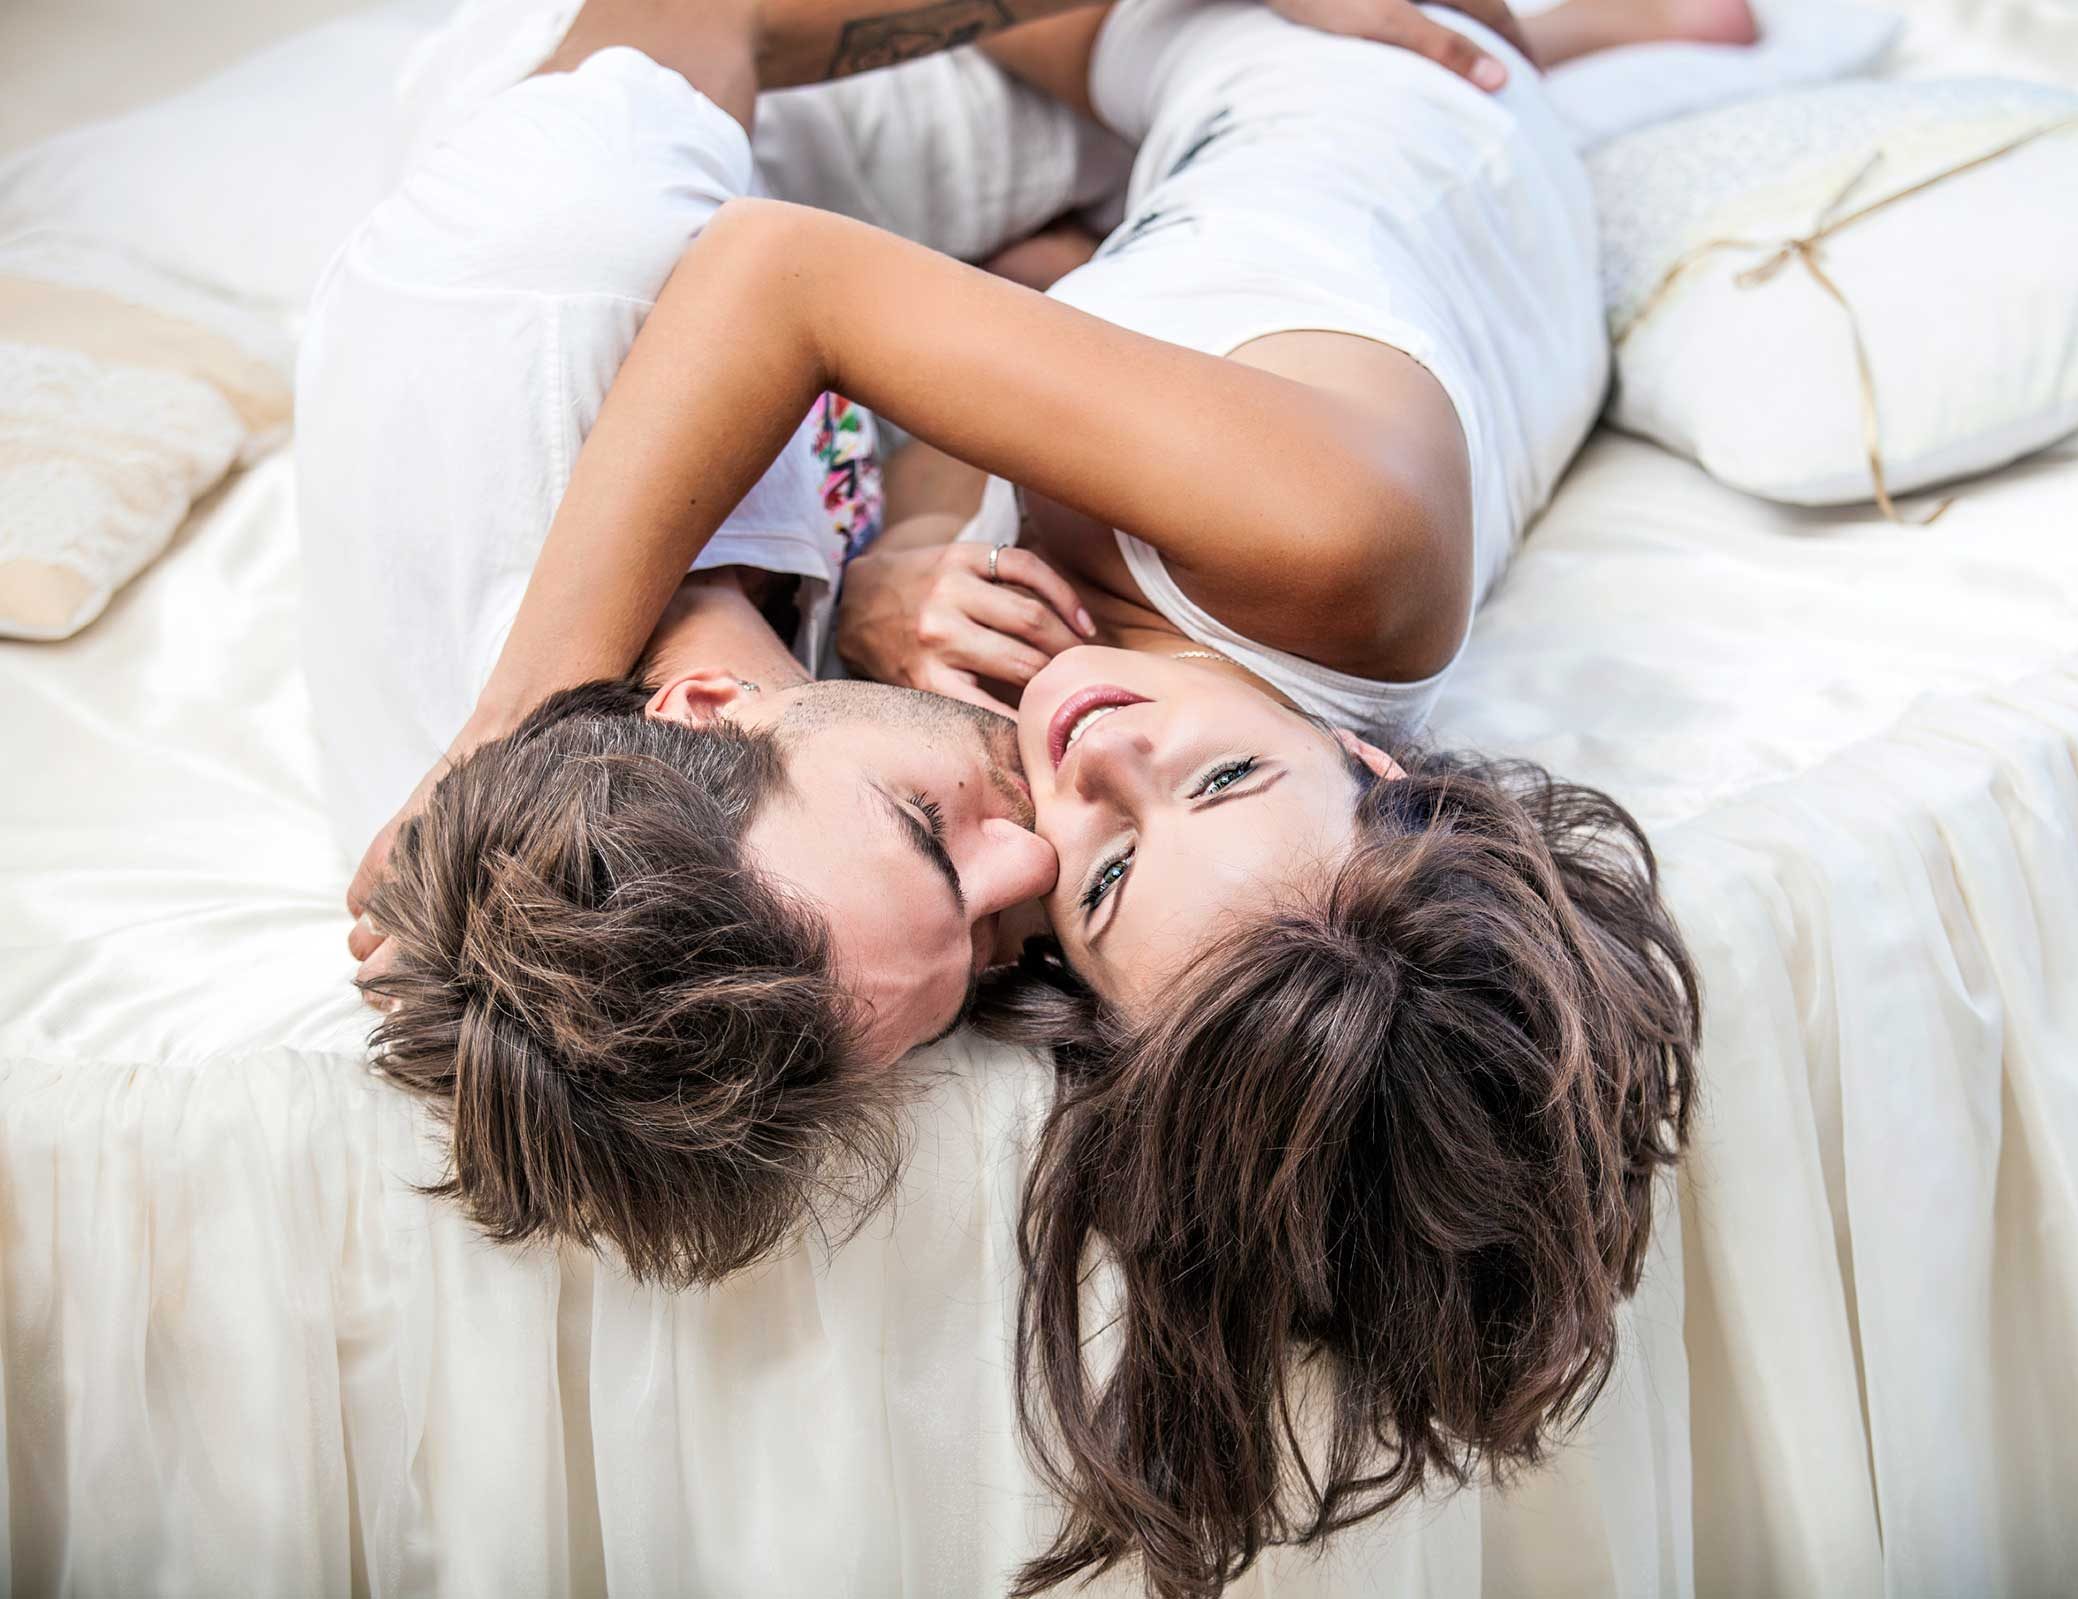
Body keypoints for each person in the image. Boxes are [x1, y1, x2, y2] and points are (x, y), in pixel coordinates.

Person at [363, 0, 1729, 1589]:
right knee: (673, 28)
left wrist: (891, 577)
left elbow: (982, 366)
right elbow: (780, 272)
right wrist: (518, 716)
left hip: (1332, 230)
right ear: (1380, 766)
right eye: (1222, 775)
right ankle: (1553, 31)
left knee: (954, 200)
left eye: (1100, 879)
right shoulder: (1336, 542)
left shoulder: (1055, 787)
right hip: (1349, 73)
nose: (1087, 762)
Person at [306, 0, 1547, 1282]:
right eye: (1080, 898)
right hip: (1364, 111)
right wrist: (893, 566)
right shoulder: (1308, 590)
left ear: (700, 701)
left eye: (933, 827)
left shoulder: (567, 277)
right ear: (1378, 766)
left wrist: (529, 705)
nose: (1053, 816)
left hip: (1289, 120)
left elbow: (871, 312)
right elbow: (930, 338)